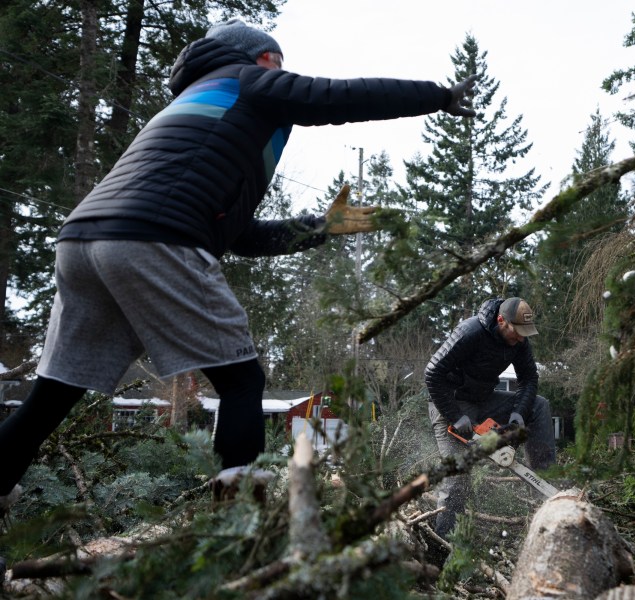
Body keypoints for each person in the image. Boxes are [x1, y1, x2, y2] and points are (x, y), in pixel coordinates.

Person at [0, 18, 476, 507]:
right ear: (260, 58)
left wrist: (323, 228)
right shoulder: (243, 79)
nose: (281, 70)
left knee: (52, 397)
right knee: (242, 379)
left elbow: (241, 236)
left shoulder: (198, 111)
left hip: (82, 241)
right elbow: (336, 96)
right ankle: (238, 520)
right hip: (155, 235)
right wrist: (435, 96)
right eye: (277, 61)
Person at [424, 297, 556, 538]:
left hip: (483, 399)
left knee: (539, 406)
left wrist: (519, 411)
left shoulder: (520, 341)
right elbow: (433, 372)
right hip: (450, 402)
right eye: (516, 332)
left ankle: (548, 487)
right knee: (457, 477)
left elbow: (529, 378)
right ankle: (443, 543)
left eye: (524, 334)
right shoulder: (470, 332)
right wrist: (454, 415)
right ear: (500, 321)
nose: (520, 338)